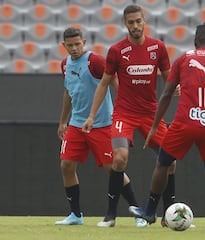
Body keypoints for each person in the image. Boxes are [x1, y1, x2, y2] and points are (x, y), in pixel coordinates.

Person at [129, 23, 205, 233]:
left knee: (163, 164)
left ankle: (149, 211)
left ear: (195, 42)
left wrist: (155, 126)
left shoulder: (183, 59)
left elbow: (167, 94)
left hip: (184, 123)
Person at [82, 4, 176, 228]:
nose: (135, 26)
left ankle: (167, 216)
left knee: (170, 161)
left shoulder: (158, 47)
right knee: (120, 157)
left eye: (138, 21)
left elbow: (169, 78)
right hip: (124, 113)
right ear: (125, 24)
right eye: (131, 22)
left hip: (151, 114)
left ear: (145, 21)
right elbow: (104, 83)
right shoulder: (116, 50)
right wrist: (92, 116)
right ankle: (111, 216)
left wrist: (177, 86)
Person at [55, 27, 117, 225]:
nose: (74, 48)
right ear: (63, 46)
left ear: (84, 42)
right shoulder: (65, 64)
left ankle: (137, 212)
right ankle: (76, 215)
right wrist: (63, 120)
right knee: (66, 165)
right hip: (76, 124)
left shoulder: (95, 61)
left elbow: (114, 81)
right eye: (70, 45)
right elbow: (68, 92)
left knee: (112, 168)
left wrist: (122, 110)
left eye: (77, 44)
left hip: (101, 123)